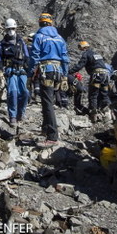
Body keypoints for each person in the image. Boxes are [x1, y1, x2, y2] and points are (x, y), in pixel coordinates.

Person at [28, 13, 69, 148]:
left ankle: (52, 136)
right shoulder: (59, 38)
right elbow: (65, 58)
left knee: (47, 103)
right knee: (48, 101)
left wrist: (30, 73)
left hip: (46, 70)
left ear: (40, 23)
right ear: (51, 23)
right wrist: (64, 75)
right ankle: (45, 130)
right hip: (57, 71)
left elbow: (34, 56)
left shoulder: (39, 37)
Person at [0, 18, 29, 126]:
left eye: (13, 28)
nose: (11, 30)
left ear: (16, 28)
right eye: (9, 29)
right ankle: (13, 116)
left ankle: (21, 113)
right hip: (10, 70)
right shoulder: (2, 43)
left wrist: (29, 70)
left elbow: (27, 55)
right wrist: (0, 71)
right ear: (6, 29)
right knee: (12, 92)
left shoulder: (21, 42)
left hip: (21, 69)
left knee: (24, 93)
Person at [69, 41, 110, 122]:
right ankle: (107, 114)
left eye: (80, 47)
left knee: (93, 94)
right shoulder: (96, 54)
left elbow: (80, 65)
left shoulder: (86, 54)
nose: (80, 49)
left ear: (83, 47)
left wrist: (70, 71)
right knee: (104, 94)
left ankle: (93, 116)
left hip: (97, 75)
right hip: (106, 75)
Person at [26, 33, 41, 102]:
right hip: (36, 66)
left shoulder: (25, 47)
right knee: (36, 81)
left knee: (28, 82)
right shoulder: (37, 47)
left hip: (27, 66)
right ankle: (36, 96)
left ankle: (28, 98)